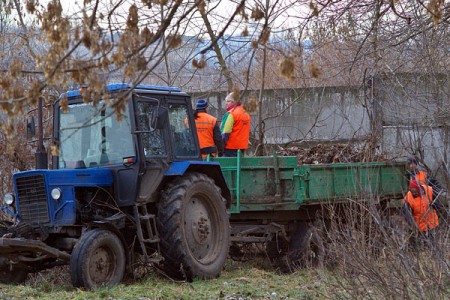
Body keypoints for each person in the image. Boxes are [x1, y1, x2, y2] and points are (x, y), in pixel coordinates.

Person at [220, 92, 251, 157]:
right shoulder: (246, 114)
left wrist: (220, 146)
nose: (226, 103)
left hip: (230, 148)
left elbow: (225, 132)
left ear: (233, 102)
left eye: (228, 101)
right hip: (242, 147)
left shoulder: (231, 114)